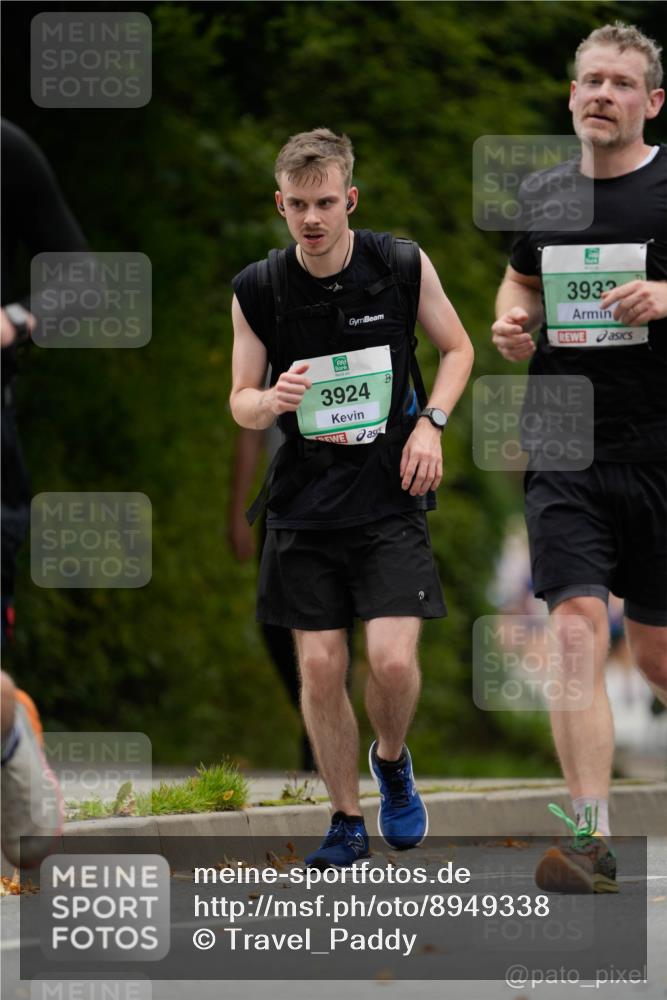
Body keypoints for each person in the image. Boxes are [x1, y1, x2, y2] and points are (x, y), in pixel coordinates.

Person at [230, 128, 473, 868]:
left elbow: (459, 349)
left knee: (392, 665)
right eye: (297, 204)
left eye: (325, 203)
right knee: (320, 668)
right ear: (280, 203)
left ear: (350, 200)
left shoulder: (398, 264)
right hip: (303, 506)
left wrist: (430, 425)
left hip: (389, 495)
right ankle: (343, 819)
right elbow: (238, 401)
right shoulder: (259, 287)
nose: (311, 218)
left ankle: (391, 764)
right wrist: (270, 399)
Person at [492, 23, 666, 892]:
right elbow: (521, 279)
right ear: (570, 97)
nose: (600, 93)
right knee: (572, 631)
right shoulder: (543, 194)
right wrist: (510, 324)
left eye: (619, 83)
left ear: (651, 102)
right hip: (565, 445)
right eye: (588, 80)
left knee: (658, 655)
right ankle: (590, 841)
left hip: (661, 454)